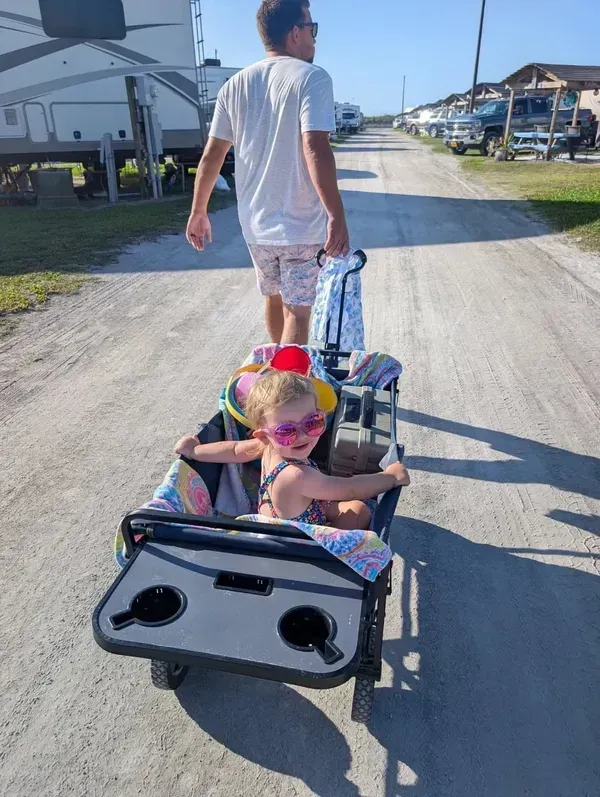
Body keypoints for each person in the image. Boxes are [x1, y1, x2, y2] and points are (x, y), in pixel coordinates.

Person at [185, 0, 349, 345]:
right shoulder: (312, 78)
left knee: (273, 300)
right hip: (301, 224)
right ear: (294, 33)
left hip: (256, 226)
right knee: (298, 312)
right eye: (312, 29)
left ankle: (278, 378)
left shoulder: (234, 85)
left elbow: (213, 154)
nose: (314, 39)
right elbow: (316, 147)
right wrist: (336, 214)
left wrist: (198, 211)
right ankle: (288, 391)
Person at [175, 371, 409, 530]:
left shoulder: (266, 446)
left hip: (286, 516)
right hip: (297, 539)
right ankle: (331, 556)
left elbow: (234, 450)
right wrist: (389, 477)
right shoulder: (297, 475)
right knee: (360, 510)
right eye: (286, 431)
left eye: (312, 422)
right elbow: (347, 489)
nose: (303, 436)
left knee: (350, 507)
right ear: (263, 434)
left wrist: (196, 451)